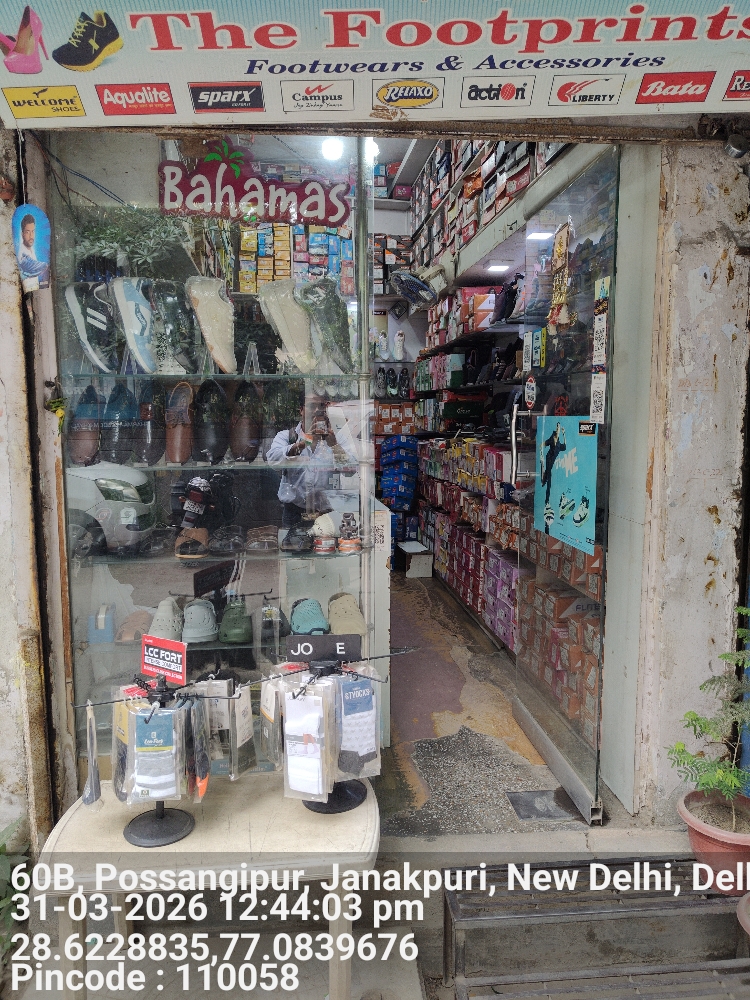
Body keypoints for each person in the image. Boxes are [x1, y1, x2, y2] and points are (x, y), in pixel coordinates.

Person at [267, 394, 357, 533]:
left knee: (327, 546)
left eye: (321, 406)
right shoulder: (287, 436)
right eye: (311, 406)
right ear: (301, 410)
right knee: (292, 545)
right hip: (294, 513)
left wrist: (334, 446)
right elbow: (273, 459)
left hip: (327, 513)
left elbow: (351, 470)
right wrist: (305, 442)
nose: (317, 410)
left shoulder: (337, 438)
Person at [540, 421, 566, 530]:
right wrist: (541, 452)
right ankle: (547, 502)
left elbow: (565, 446)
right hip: (548, 461)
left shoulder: (558, 444)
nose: (558, 429)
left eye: (559, 428)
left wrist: (564, 433)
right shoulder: (552, 439)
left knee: (548, 482)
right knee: (547, 481)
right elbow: (542, 444)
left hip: (551, 465)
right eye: (557, 427)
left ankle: (548, 503)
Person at [17, 213, 49, 286]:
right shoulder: (21, 253)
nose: (31, 236)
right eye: (27, 232)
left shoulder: (32, 249)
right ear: (22, 234)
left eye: (33, 231)